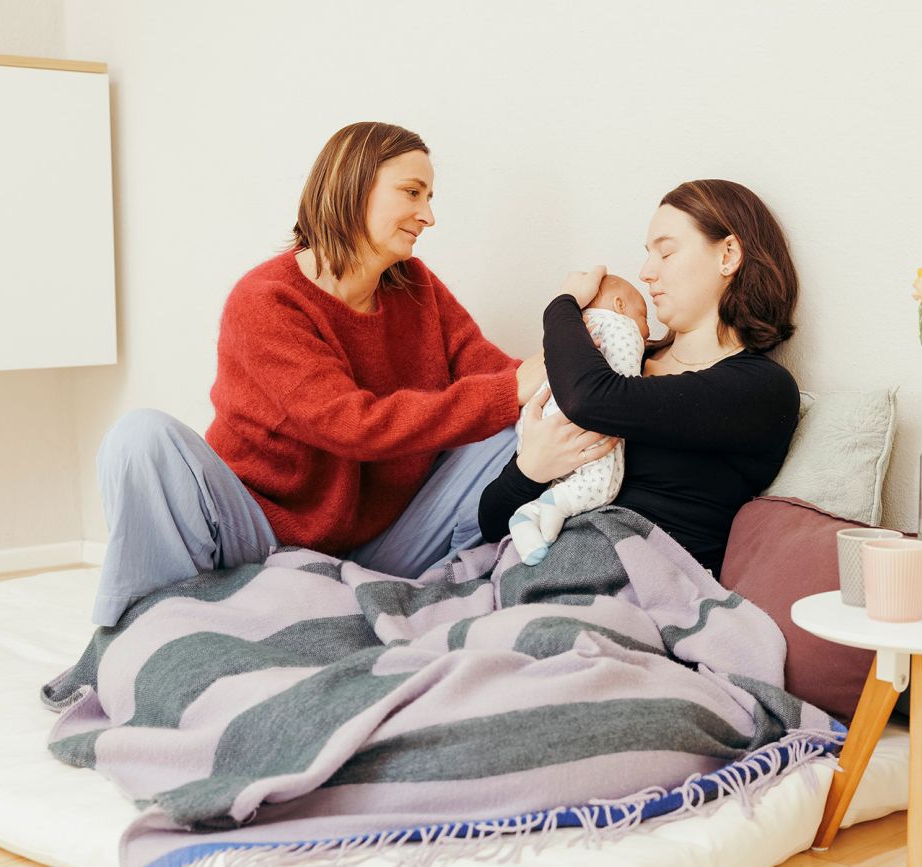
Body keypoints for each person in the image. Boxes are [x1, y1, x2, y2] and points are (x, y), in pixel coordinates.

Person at [89, 122, 613, 627]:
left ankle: (426, 595)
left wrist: (590, 340)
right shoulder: (267, 301)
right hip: (260, 535)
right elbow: (350, 425)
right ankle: (148, 623)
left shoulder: (416, 285)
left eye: (430, 197)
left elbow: (495, 373)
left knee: (516, 426)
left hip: (379, 547)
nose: (428, 216)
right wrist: (510, 388)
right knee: (140, 436)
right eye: (412, 192)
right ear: (354, 186)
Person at [479, 179, 801, 577]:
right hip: (536, 569)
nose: (646, 273)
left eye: (666, 252)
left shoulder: (761, 388)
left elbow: (590, 400)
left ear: (728, 255)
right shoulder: (616, 365)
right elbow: (490, 523)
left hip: (639, 582)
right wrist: (531, 469)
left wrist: (562, 306)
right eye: (648, 255)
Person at [508, 274, 650, 565]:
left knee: (557, 480)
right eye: (644, 316)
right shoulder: (622, 329)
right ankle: (553, 507)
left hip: (536, 426)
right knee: (603, 482)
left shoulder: (571, 336)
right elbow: (617, 395)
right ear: (620, 305)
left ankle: (527, 516)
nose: (648, 329)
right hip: (579, 426)